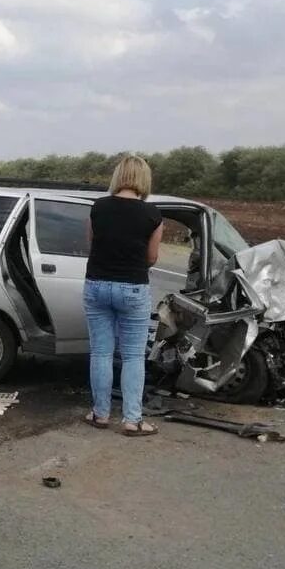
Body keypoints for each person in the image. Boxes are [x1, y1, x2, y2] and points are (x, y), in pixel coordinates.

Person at [83, 154, 164, 437]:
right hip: (132, 287)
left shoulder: (98, 208)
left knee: (101, 352)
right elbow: (151, 258)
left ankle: (100, 414)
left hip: (96, 285)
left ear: (117, 177)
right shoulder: (153, 215)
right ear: (143, 179)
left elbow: (93, 245)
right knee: (131, 357)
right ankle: (132, 420)